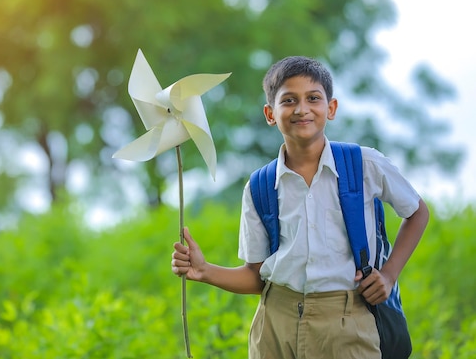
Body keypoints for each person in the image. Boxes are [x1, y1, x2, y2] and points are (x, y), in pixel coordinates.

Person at [171, 56, 429, 359]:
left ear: (331, 108)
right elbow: (257, 277)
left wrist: (389, 274)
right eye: (289, 100)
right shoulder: (259, 186)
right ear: (270, 113)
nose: (302, 109)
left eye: (313, 98)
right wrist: (204, 270)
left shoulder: (364, 164)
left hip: (348, 320)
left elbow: (416, 211)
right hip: (275, 325)